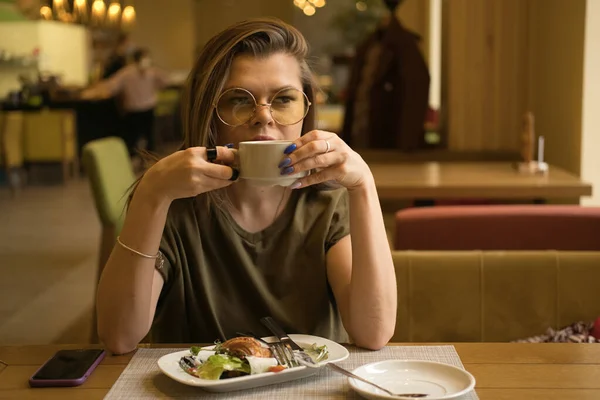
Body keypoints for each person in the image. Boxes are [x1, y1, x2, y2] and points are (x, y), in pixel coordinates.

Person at [96, 18, 397, 354]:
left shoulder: (326, 201)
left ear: (305, 111)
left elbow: (373, 333)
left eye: (283, 100)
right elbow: (119, 336)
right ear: (209, 114)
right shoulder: (172, 200)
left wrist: (364, 186)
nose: (263, 117)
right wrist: (151, 193)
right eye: (239, 100)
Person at [341, 0, 430, 151]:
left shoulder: (403, 46)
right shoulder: (369, 46)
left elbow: (414, 94)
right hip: (363, 129)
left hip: (387, 135)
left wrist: (408, 142)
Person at [82, 48, 169, 155]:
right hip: (134, 111)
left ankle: (147, 159)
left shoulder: (152, 72)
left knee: (148, 138)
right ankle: (136, 160)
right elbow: (111, 85)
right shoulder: (127, 73)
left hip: (147, 109)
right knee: (134, 140)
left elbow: (165, 82)